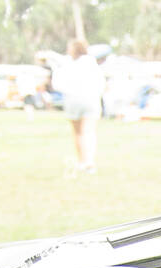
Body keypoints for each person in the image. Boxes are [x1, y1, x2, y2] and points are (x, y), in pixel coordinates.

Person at [54, 39, 104, 174]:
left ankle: (82, 161)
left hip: (72, 100)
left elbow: (57, 84)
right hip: (91, 99)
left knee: (78, 132)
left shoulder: (67, 65)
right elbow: (101, 83)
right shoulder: (92, 64)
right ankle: (90, 162)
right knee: (90, 131)